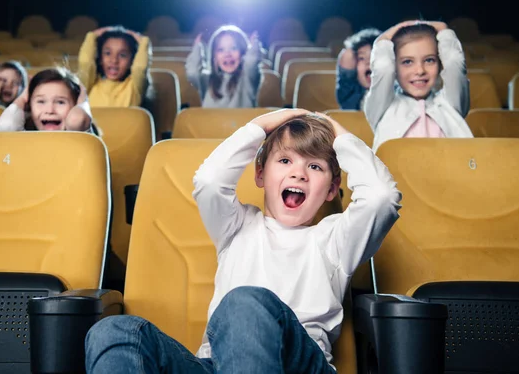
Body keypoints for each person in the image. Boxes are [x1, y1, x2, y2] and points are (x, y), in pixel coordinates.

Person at [85, 108, 402, 373]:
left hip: (299, 364)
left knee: (244, 303)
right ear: (261, 175)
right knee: (113, 331)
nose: (299, 174)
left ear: (332, 190)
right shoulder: (237, 226)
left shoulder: (335, 240)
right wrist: (262, 126)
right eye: (285, 161)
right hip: (216, 364)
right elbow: (210, 181)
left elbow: (382, 198)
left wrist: (337, 132)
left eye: (315, 166)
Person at [364, 20, 473, 151]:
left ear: (440, 64)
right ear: (394, 68)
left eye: (429, 60)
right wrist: (385, 37)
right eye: (407, 62)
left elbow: (453, 60)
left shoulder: (450, 103)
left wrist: (443, 28)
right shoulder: (382, 107)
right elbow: (383, 67)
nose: (420, 70)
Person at [186, 25, 262, 108]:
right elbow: (192, 73)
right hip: (211, 121)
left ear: (243, 53)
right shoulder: (206, 79)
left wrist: (253, 46)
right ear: (214, 57)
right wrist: (197, 48)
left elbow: (251, 63)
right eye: (221, 50)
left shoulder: (247, 79)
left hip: (242, 121)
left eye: (233, 48)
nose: (227, 54)